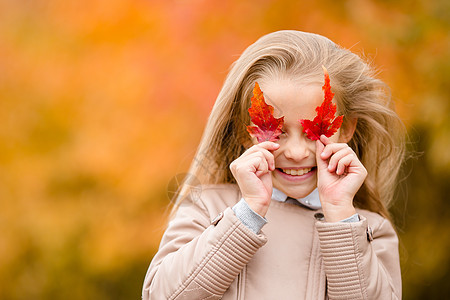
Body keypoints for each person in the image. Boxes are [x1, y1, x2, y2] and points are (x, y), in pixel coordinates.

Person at [142, 30, 405, 299]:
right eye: (276, 132)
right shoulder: (207, 208)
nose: (295, 152)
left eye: (316, 131)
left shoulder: (369, 230)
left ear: (346, 128)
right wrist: (247, 214)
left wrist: (340, 216)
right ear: (245, 132)